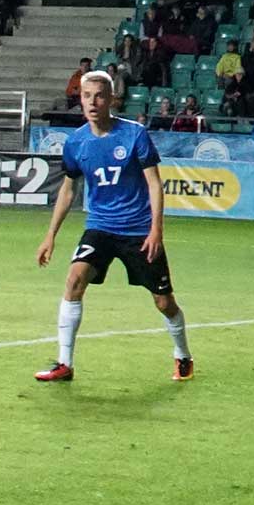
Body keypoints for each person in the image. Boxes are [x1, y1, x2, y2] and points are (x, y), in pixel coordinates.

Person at [32, 70, 192, 383]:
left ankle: (182, 354)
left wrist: (156, 229)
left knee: (163, 302)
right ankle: (64, 364)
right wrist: (50, 236)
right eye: (86, 96)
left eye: (99, 96)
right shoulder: (76, 142)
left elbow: (154, 184)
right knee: (75, 279)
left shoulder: (134, 134)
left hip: (137, 230)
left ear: (111, 100)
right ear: (80, 99)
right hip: (100, 227)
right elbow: (68, 189)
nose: (92, 102)